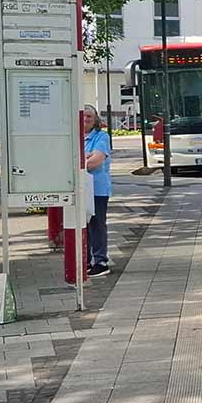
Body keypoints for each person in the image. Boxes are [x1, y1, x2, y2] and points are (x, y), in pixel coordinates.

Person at [82, 104, 113, 277]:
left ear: (95, 120)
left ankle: (101, 261)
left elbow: (96, 161)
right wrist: (86, 157)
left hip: (97, 188)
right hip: (79, 187)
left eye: (89, 116)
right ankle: (85, 260)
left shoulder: (102, 136)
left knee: (97, 224)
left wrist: (80, 161)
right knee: (81, 225)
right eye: (83, 115)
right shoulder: (75, 137)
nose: (85, 119)